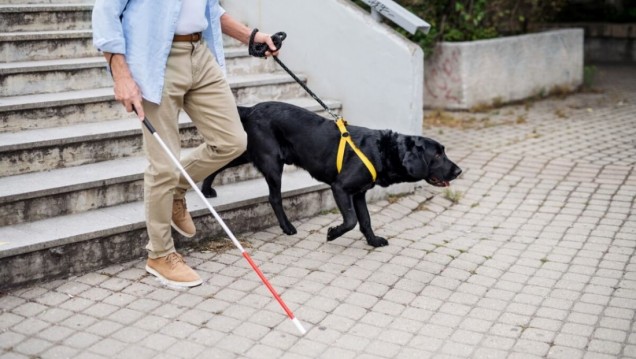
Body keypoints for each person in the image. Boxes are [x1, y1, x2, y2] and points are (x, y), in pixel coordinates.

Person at [92, 1, 279, 288]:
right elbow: (106, 12)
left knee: (233, 141)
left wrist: (250, 37)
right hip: (155, 58)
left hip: (199, 54)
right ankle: (160, 254)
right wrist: (120, 74)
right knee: (163, 165)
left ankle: (176, 190)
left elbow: (208, 9)